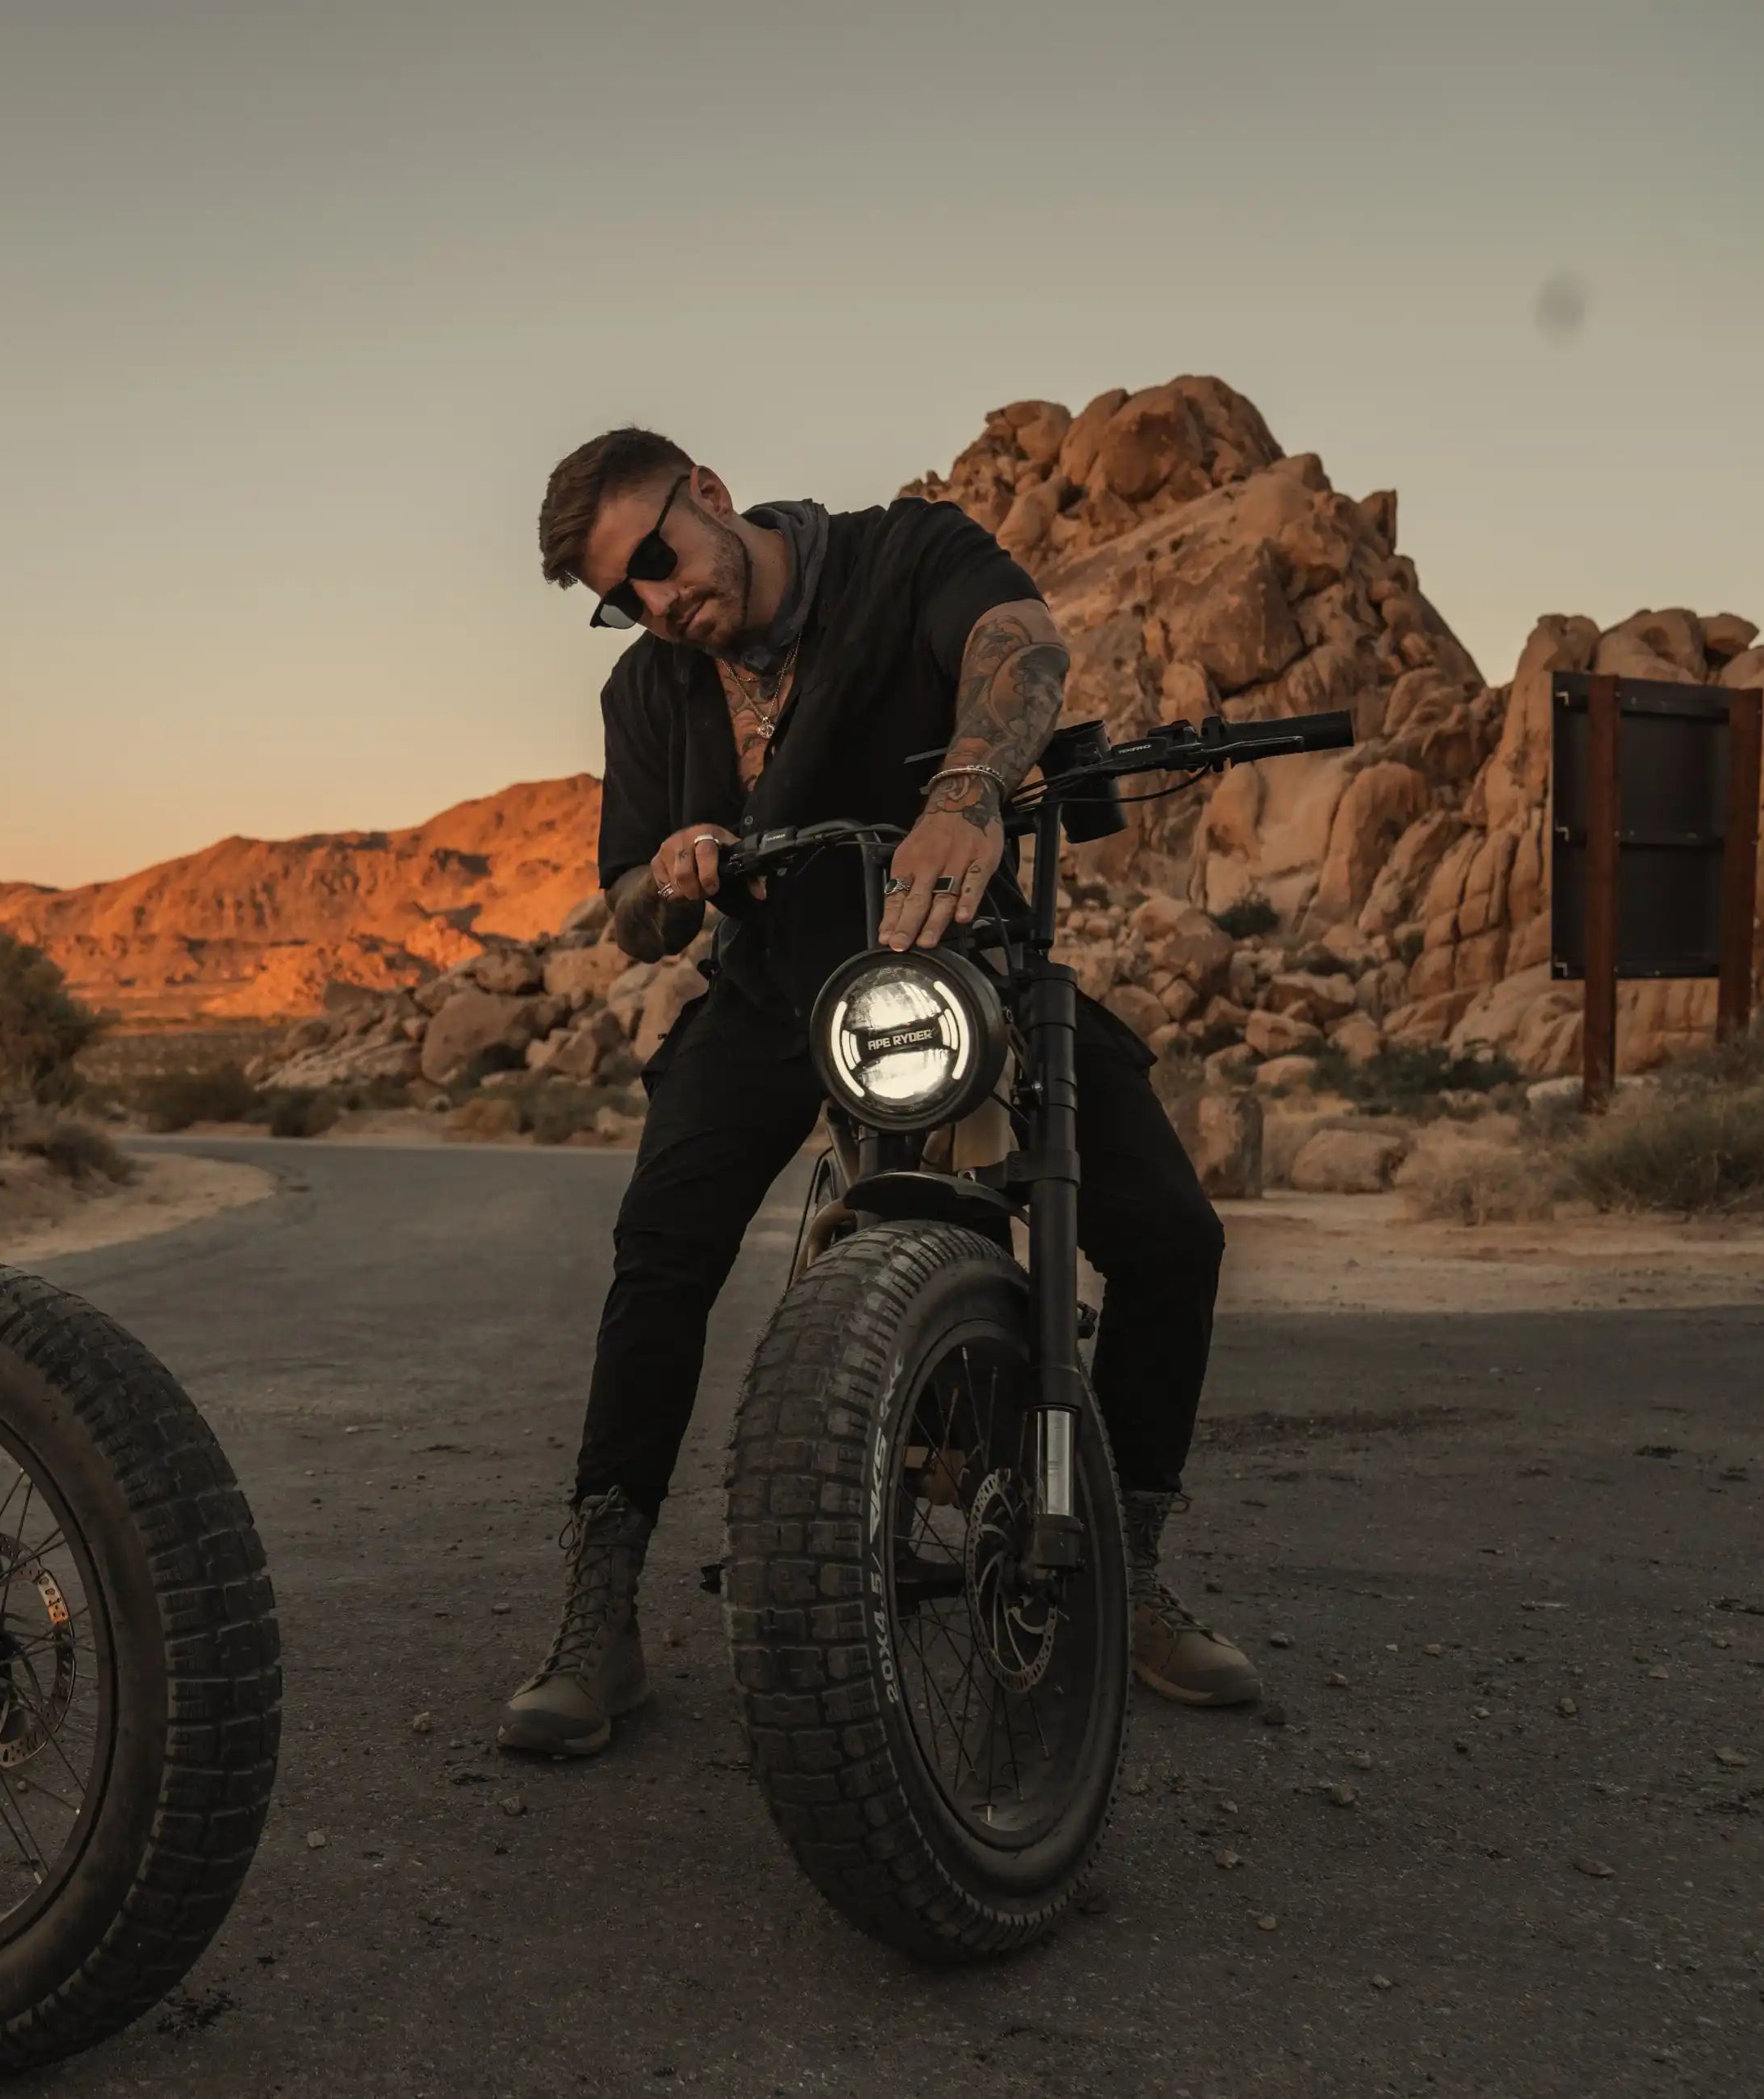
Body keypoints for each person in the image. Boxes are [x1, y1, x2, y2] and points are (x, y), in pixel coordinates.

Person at [495, 428, 1257, 1758]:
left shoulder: (906, 553)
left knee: (1172, 1236)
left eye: (661, 561)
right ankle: (597, 1611)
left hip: (956, 952)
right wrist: (670, 876)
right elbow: (625, 917)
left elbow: (1020, 644)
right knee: (661, 1247)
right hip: (771, 986)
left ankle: (1126, 1571)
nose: (662, 604)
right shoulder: (651, 689)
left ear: (712, 497)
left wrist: (968, 792)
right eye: (629, 596)